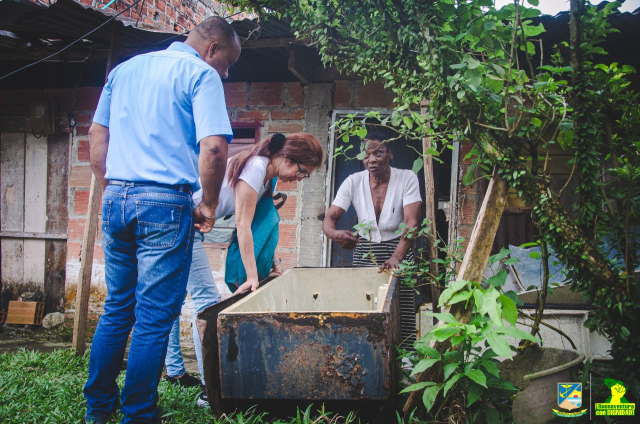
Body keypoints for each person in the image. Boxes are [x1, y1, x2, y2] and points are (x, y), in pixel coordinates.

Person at [84, 17, 241, 424]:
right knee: (154, 315)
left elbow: (96, 136)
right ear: (211, 49)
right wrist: (207, 206)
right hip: (165, 202)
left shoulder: (124, 70)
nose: (225, 72)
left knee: (118, 307)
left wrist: (111, 187)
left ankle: (98, 410)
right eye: (227, 62)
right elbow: (214, 148)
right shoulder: (201, 75)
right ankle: (138, 414)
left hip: (116, 195)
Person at [163, 132, 324, 405]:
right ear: (287, 157)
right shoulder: (256, 167)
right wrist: (251, 276)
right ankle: (208, 389)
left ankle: (176, 372)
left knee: (171, 301)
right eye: (302, 172)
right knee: (206, 302)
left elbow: (263, 222)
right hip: (182, 223)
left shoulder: (268, 177)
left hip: (193, 225)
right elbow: (242, 226)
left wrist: (273, 262)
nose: (299, 179)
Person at [322, 131, 422, 271]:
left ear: (390, 154)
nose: (372, 159)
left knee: (399, 292)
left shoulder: (407, 178)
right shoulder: (353, 181)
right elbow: (329, 218)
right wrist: (334, 235)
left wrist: (396, 257)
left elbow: (412, 223)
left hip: (400, 248)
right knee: (365, 292)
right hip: (365, 250)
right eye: (366, 155)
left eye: (378, 153)